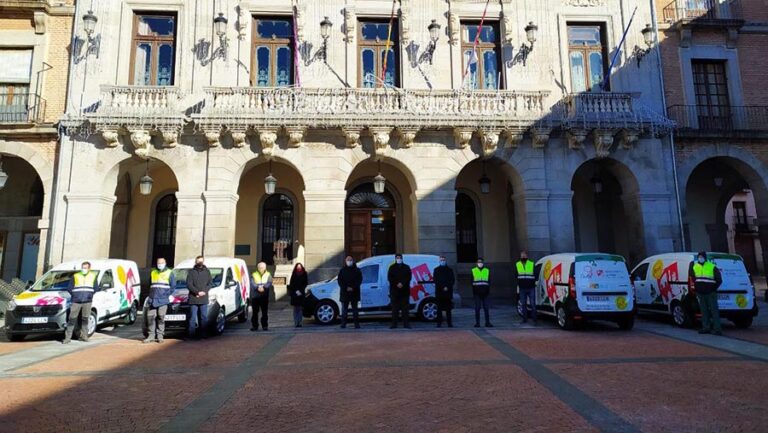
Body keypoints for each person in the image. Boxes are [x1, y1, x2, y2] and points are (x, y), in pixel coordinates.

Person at [63, 261, 98, 344]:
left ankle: (84, 336)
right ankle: (67, 338)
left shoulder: (93, 276)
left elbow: (96, 288)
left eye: (85, 268)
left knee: (85, 319)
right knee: (72, 319)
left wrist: (90, 295)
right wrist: (75, 295)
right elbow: (69, 288)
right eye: (83, 267)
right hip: (76, 301)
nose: (84, 269)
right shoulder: (76, 276)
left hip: (87, 301)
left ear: (89, 268)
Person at [690, 251, 723, 335]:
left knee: (714, 311)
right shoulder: (695, 267)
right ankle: (706, 327)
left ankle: (717, 329)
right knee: (704, 311)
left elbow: (719, 280)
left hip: (710, 293)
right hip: (700, 293)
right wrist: (697, 289)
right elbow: (694, 279)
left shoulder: (712, 267)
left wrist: (712, 289)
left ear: (705, 258)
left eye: (702, 257)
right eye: (699, 257)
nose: (701, 258)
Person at [145, 257, 175, 343]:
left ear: (165, 263)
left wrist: (166, 295)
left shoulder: (169, 272)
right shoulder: (153, 272)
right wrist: (150, 295)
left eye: (161, 263)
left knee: (161, 317)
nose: (160, 264)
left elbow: (173, 286)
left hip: (163, 300)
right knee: (150, 317)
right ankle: (151, 336)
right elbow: (150, 285)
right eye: (158, 263)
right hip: (153, 299)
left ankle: (160, 336)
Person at [186, 256, 212, 339]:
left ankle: (203, 334)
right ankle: (192, 335)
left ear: (203, 262)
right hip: (193, 298)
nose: (200, 263)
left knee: (203, 317)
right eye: (198, 261)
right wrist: (197, 292)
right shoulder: (191, 272)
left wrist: (204, 291)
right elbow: (189, 284)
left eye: (201, 261)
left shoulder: (207, 272)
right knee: (192, 318)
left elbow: (210, 283)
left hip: (203, 298)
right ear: (195, 262)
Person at [388, 253, 412, 329]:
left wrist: (402, 283)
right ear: (395, 259)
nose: (399, 259)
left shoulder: (406, 267)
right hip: (395, 291)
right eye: (397, 258)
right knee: (395, 309)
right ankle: (394, 324)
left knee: (405, 309)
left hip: (404, 291)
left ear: (402, 258)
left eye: (400, 258)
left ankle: (406, 324)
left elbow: (409, 277)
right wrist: (397, 284)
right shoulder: (392, 267)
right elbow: (390, 278)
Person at [338, 255, 363, 329]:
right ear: (345, 261)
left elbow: (359, 280)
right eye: (348, 260)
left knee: (355, 309)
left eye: (350, 260)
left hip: (354, 292)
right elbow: (340, 280)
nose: (349, 261)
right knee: (344, 310)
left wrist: (353, 287)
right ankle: (343, 324)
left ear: (353, 261)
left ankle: (356, 324)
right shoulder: (342, 270)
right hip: (345, 292)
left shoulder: (357, 270)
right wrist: (346, 287)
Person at [433, 255, 455, 328]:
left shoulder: (450, 270)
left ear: (445, 261)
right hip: (439, 292)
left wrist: (447, 287)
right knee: (439, 309)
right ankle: (439, 323)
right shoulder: (436, 270)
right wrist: (443, 287)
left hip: (448, 292)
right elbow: (435, 280)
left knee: (448, 309)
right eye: (441, 260)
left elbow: (452, 280)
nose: (442, 261)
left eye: (444, 260)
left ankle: (449, 323)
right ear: (439, 261)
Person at [250, 262, 273, 331]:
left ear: (265, 268)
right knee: (254, 313)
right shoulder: (254, 274)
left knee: (264, 312)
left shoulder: (268, 274)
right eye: (260, 267)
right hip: (255, 296)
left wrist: (264, 288)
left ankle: (265, 326)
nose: (261, 269)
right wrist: (257, 288)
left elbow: (269, 282)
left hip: (264, 296)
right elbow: (252, 283)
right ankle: (255, 326)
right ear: (257, 268)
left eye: (262, 267)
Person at [515, 251, 536, 324]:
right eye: (522, 255)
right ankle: (524, 319)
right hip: (522, 287)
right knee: (523, 304)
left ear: (527, 256)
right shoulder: (517, 264)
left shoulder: (531, 264)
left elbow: (535, 274)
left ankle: (534, 319)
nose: (523, 257)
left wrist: (533, 283)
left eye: (524, 255)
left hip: (531, 287)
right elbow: (515, 275)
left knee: (533, 304)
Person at [472, 257, 492, 328]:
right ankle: (477, 323)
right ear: (476, 263)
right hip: (477, 293)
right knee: (477, 308)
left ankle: (487, 323)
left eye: (481, 262)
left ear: (483, 263)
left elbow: (489, 281)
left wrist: (487, 291)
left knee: (486, 308)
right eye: (478, 262)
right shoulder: (473, 270)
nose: (480, 263)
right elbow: (472, 282)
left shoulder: (487, 270)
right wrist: (474, 292)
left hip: (485, 293)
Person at [288, 263, 308, 328]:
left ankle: (300, 322)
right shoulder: (293, 274)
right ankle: (296, 322)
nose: (299, 268)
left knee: (300, 309)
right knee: (295, 309)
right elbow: (291, 284)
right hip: (294, 294)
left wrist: (301, 291)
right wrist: (296, 291)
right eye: (298, 267)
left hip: (301, 294)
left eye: (300, 267)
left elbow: (305, 283)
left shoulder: (304, 274)